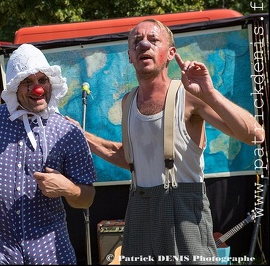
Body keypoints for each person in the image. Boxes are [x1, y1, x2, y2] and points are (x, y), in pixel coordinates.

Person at [66, 19, 265, 265]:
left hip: (184, 208)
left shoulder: (190, 95)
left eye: (153, 39)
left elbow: (255, 135)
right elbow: (128, 157)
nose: (143, 45)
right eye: (136, 42)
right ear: (130, 55)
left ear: (171, 53)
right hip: (139, 209)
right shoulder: (127, 102)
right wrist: (82, 135)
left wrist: (211, 94)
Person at [0, 43, 97, 265]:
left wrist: (68, 188)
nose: (37, 89)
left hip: (50, 251)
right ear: (15, 86)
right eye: (28, 82)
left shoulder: (67, 132)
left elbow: (87, 198)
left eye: (42, 80)